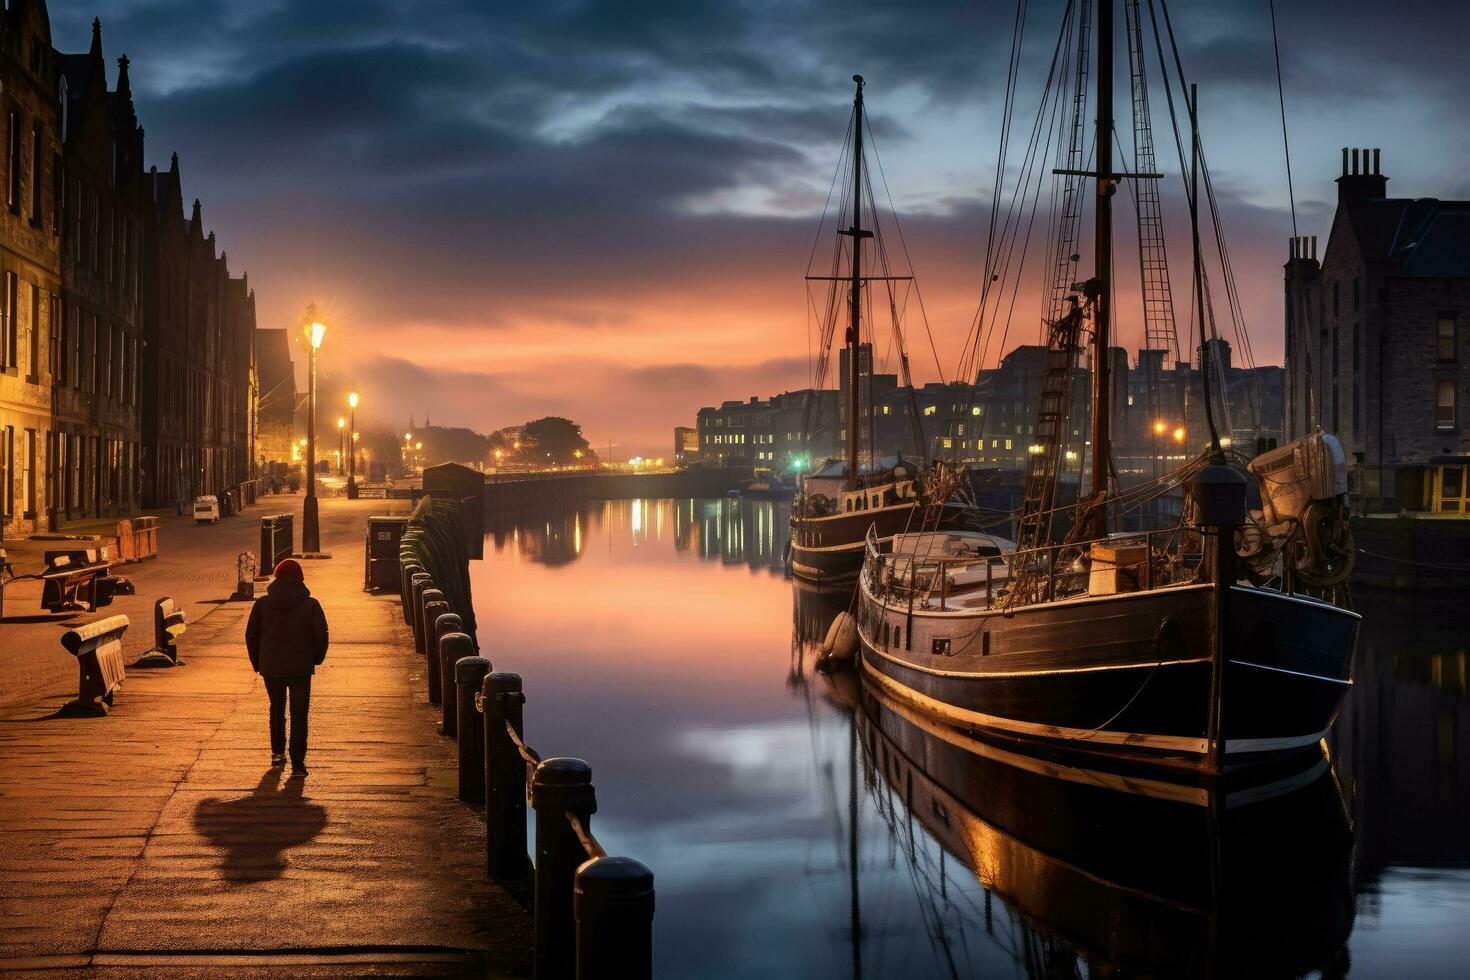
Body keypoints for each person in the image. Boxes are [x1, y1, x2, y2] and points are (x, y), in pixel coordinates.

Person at [245, 558, 329, 775]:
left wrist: (258, 663)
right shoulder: (311, 604)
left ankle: (277, 753)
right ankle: (298, 764)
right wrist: (315, 659)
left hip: (271, 667)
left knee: (277, 709)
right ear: (300, 579)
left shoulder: (262, 604)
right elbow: (321, 636)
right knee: (299, 713)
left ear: (277, 577)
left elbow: (251, 635)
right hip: (300, 667)